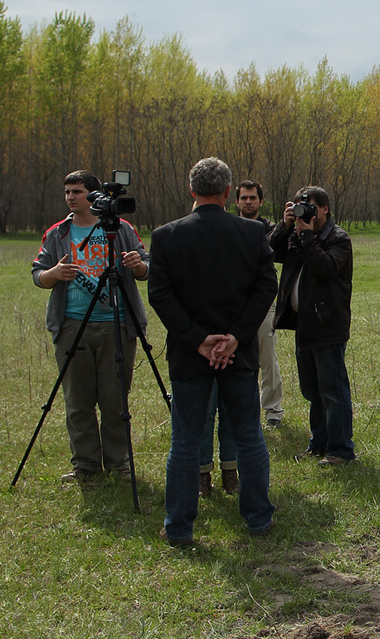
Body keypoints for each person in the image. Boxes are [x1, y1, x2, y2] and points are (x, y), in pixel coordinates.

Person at [148, 157, 278, 545]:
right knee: (249, 435)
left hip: (191, 356)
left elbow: (160, 296)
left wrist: (198, 339)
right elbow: (265, 288)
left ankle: (179, 526)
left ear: (192, 191)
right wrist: (235, 337)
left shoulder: (166, 236)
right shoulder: (252, 233)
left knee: (185, 440)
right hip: (236, 354)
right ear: (227, 193)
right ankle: (258, 517)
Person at [32, 170, 149, 483]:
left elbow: (145, 267)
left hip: (116, 325)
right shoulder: (57, 233)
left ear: (95, 196)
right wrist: (55, 272)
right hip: (72, 326)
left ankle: (119, 464)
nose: (71, 197)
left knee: (115, 401)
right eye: (67, 191)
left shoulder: (120, 228)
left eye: (78, 191)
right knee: (78, 401)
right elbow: (38, 276)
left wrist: (138, 265)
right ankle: (85, 465)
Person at [271, 185, 355, 465]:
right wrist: (285, 227)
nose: (302, 214)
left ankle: (341, 450)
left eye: (309, 208)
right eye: (298, 208)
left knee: (332, 390)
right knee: (312, 390)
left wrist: (306, 235)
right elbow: (271, 251)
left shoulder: (337, 238)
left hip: (328, 324)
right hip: (304, 324)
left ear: (325, 209)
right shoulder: (296, 235)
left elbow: (326, 268)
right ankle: (319, 444)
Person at [237, 180, 284, 427]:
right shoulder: (230, 228)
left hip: (264, 303)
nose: (248, 202)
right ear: (236, 201)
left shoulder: (270, 229)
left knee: (267, 358)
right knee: (238, 361)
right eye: (243, 198)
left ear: (260, 201)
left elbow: (277, 245)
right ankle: (243, 409)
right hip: (235, 304)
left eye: (252, 198)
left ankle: (273, 410)